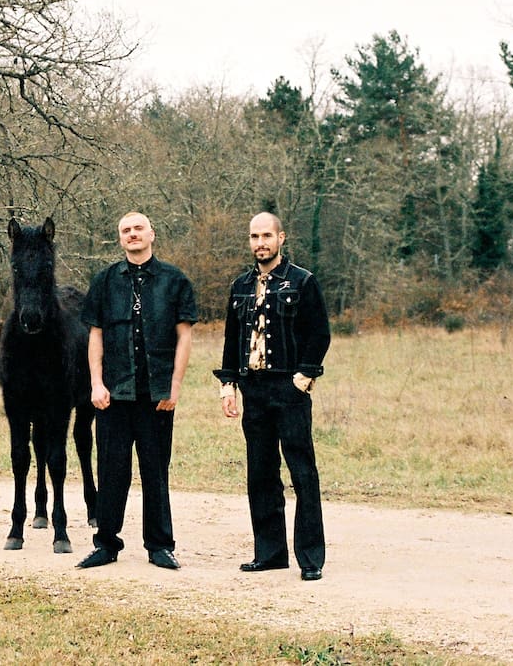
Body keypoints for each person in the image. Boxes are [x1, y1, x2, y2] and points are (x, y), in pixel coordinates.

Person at [75, 212, 198, 570]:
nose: (132, 234)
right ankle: (106, 544)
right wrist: (96, 383)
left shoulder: (175, 281)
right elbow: (95, 336)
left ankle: (159, 545)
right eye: (126, 230)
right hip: (113, 395)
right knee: (111, 470)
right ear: (120, 238)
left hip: (156, 395)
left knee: (155, 471)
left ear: (151, 234)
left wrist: (174, 387)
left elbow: (184, 337)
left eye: (138, 229)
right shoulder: (105, 282)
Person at [216, 211, 331, 581]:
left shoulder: (302, 282)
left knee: (302, 472)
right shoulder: (241, 286)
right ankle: (270, 553)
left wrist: (304, 376)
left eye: (267, 235)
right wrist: (229, 384)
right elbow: (231, 340)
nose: (260, 243)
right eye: (254, 236)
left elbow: (320, 334)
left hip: (289, 388)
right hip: (255, 389)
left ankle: (310, 558)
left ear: (282, 238)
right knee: (261, 473)